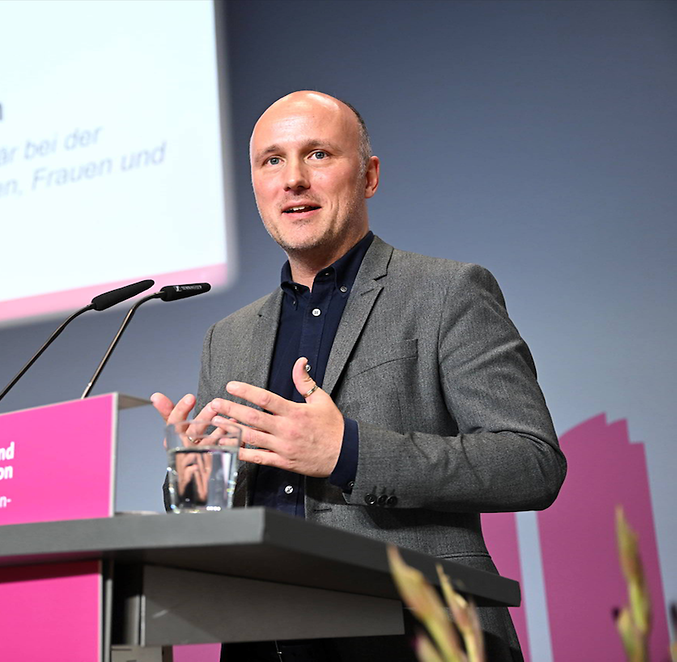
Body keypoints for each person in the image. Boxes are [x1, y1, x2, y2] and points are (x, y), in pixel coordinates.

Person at [151, 91, 566, 661]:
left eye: (318, 154)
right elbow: (224, 517)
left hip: (413, 634)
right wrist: (197, 476)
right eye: (272, 161)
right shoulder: (229, 337)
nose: (293, 179)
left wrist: (348, 453)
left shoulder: (447, 294)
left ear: (369, 176)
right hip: (261, 641)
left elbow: (531, 462)